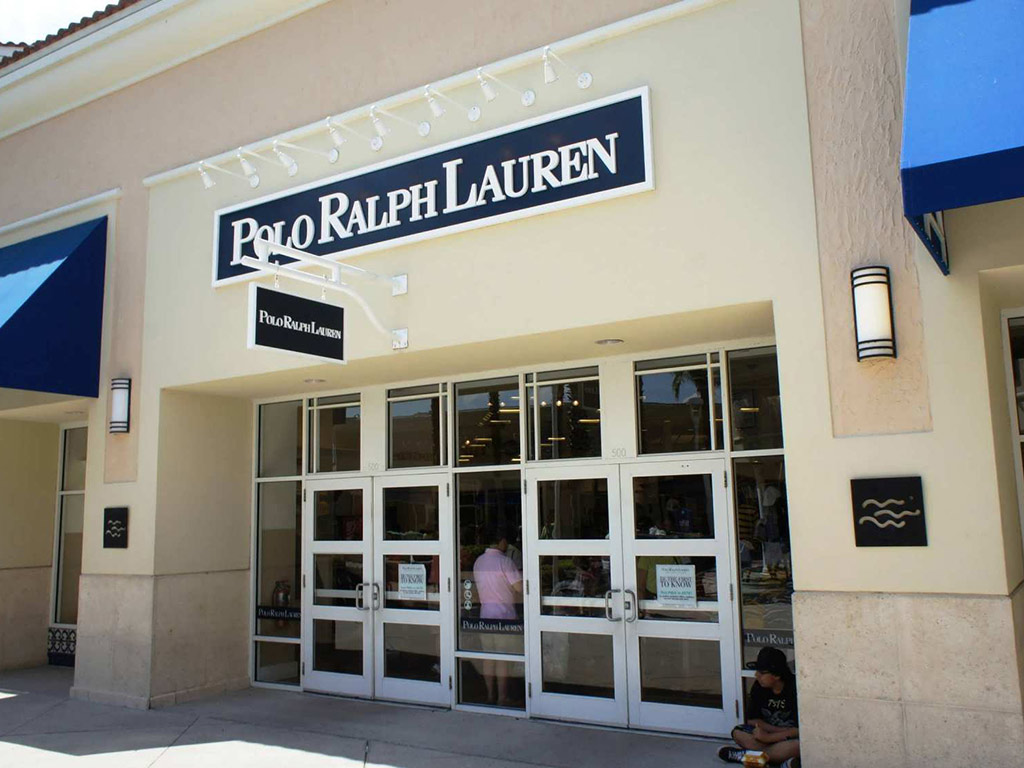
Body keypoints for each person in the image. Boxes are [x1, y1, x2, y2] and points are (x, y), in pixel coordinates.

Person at [719, 646, 800, 767]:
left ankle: (745, 756)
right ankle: (776, 761)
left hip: (787, 738)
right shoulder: (759, 687)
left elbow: (799, 730)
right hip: (765, 735)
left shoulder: (794, 688)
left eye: (762, 673)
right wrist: (765, 736)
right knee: (738, 732)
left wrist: (769, 737)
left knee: (798, 746)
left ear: (777, 675)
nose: (756, 675)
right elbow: (752, 719)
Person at [472, 527, 522, 706]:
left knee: (489, 658)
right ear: (501, 541)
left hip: (485, 615)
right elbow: (520, 588)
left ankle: (489, 695)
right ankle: (502, 697)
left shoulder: (478, 562)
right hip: (504, 616)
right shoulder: (505, 562)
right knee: (502, 659)